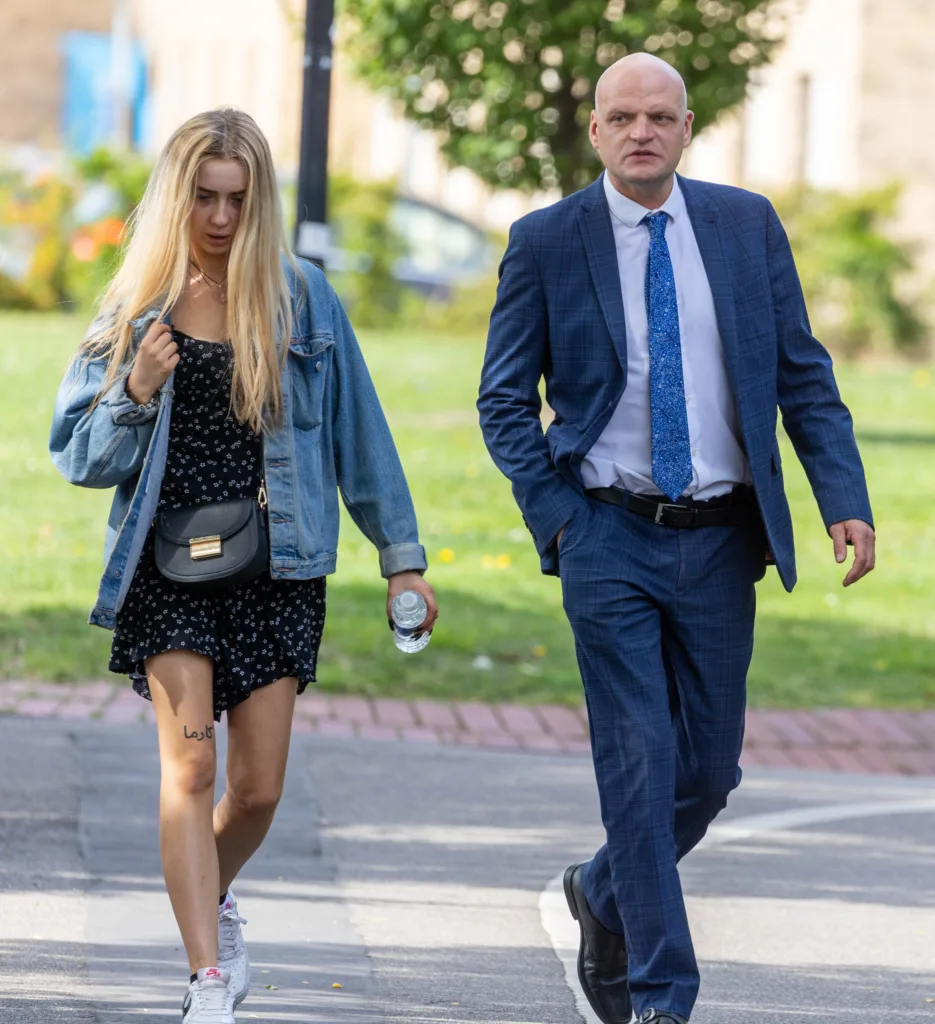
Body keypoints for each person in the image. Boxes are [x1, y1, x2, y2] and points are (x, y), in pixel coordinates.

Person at [478, 54, 874, 1024]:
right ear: (596, 131)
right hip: (605, 530)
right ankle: (662, 991)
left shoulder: (743, 228)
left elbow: (800, 374)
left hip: (720, 537)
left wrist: (841, 499)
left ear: (687, 126)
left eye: (659, 116)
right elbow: (501, 401)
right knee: (639, 759)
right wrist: (560, 516)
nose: (641, 132)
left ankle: (604, 888)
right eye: (622, 116)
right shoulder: (544, 240)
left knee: (707, 769)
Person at [50, 108, 437, 1024]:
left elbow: (360, 439)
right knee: (188, 773)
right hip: (167, 569)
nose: (220, 219)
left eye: (238, 198)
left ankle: (207, 902)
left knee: (256, 788)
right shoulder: (133, 308)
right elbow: (76, 456)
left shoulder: (300, 299)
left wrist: (402, 561)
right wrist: (136, 389)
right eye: (203, 198)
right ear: (175, 198)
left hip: (278, 567)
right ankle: (205, 982)